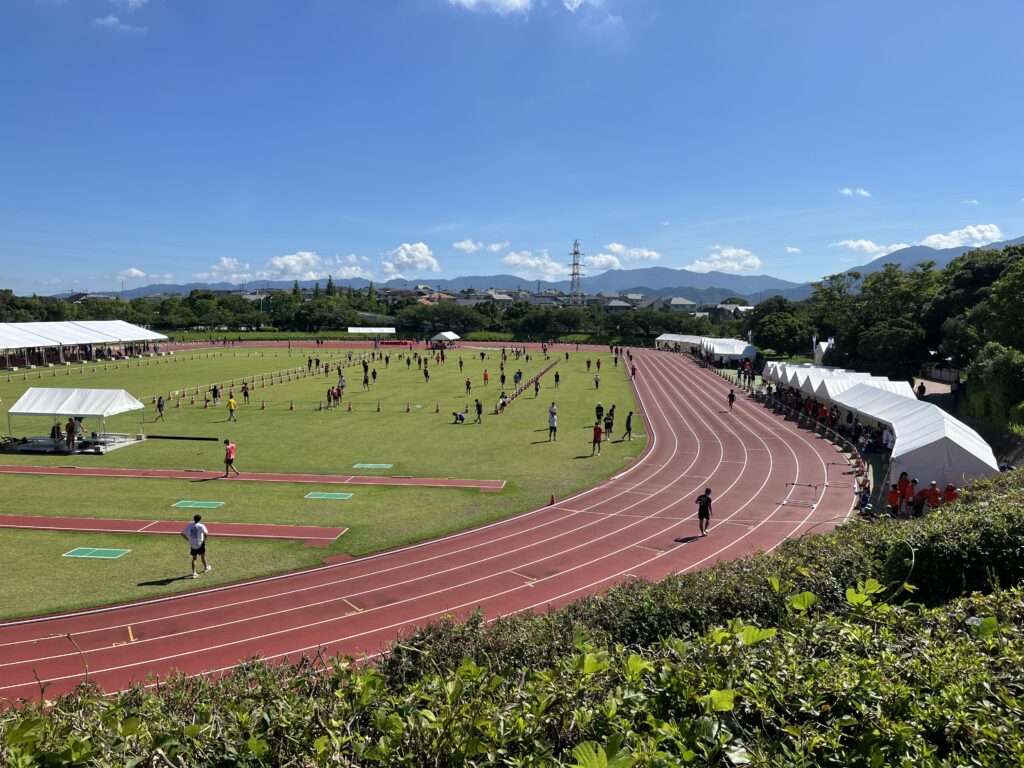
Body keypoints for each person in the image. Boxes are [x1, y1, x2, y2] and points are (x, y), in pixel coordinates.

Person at [181, 514, 211, 579]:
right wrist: (204, 540)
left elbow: (182, 533)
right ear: (200, 519)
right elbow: (206, 533)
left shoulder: (189, 525)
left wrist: (188, 539)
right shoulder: (201, 525)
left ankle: (194, 573)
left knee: (194, 558)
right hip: (200, 543)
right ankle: (206, 567)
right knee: (203, 556)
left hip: (192, 544)